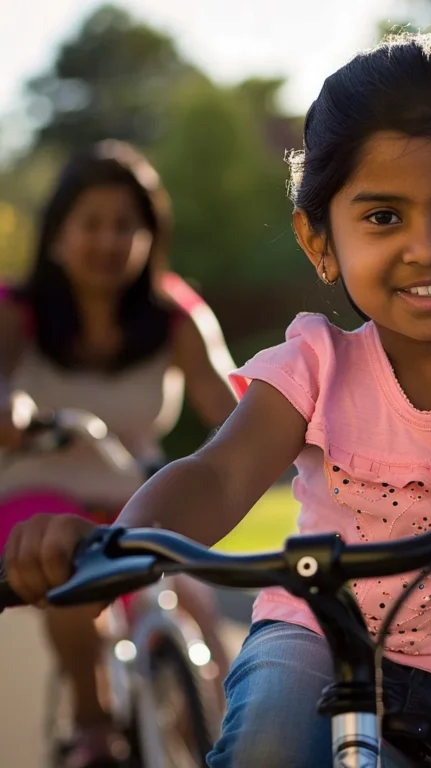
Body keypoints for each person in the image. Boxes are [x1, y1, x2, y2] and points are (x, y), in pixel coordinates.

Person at [4, 35, 431, 768]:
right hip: (320, 638)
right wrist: (115, 542)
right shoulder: (312, 365)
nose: (425, 247)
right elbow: (218, 475)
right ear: (319, 240)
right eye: (383, 217)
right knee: (265, 744)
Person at [0, 140, 237, 768]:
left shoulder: (173, 314)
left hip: (133, 491)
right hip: (35, 491)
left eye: (126, 226)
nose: (109, 242)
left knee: (203, 614)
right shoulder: (17, 310)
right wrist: (11, 413)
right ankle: (92, 724)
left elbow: (233, 403)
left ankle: (224, 737)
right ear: (57, 235)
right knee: (71, 576)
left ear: (150, 237)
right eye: (91, 224)